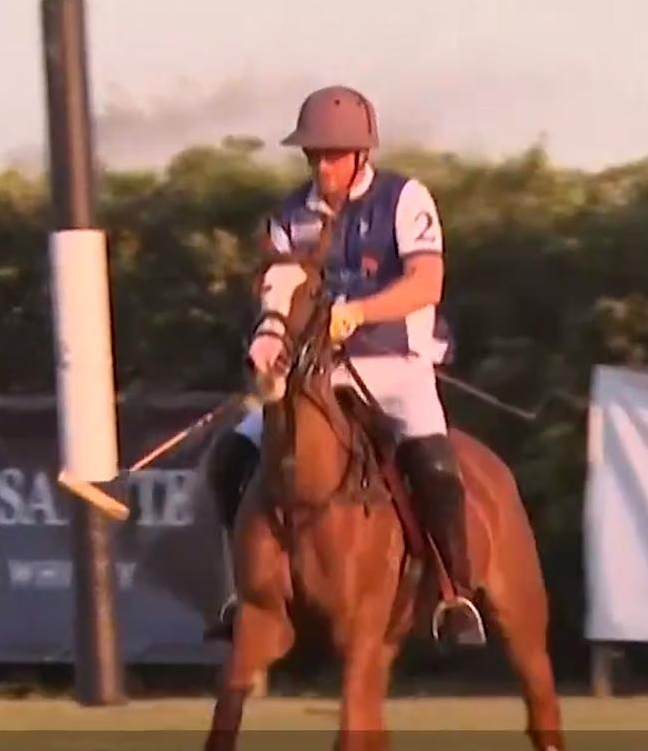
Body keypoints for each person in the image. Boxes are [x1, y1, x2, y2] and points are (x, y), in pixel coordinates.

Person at [205, 85, 485, 648]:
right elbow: (276, 291)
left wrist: (358, 312)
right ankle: (244, 591)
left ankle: (456, 595)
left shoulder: (405, 199)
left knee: (433, 463)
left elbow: (426, 283)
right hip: (316, 371)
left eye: (333, 155)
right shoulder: (290, 215)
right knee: (230, 456)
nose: (322, 166)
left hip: (396, 360)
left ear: (361, 154)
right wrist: (267, 337)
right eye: (313, 155)